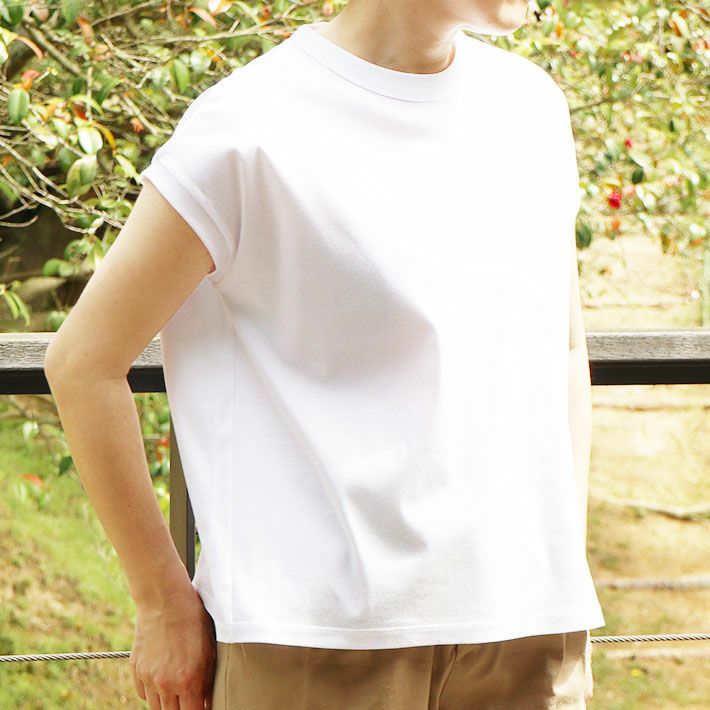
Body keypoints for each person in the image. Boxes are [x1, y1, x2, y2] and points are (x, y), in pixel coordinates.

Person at [44, 0, 605, 707]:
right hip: (315, 644)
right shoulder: (247, 128)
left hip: (529, 633)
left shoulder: (531, 108)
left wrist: (560, 554)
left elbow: (562, 345)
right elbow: (84, 362)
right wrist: (161, 600)